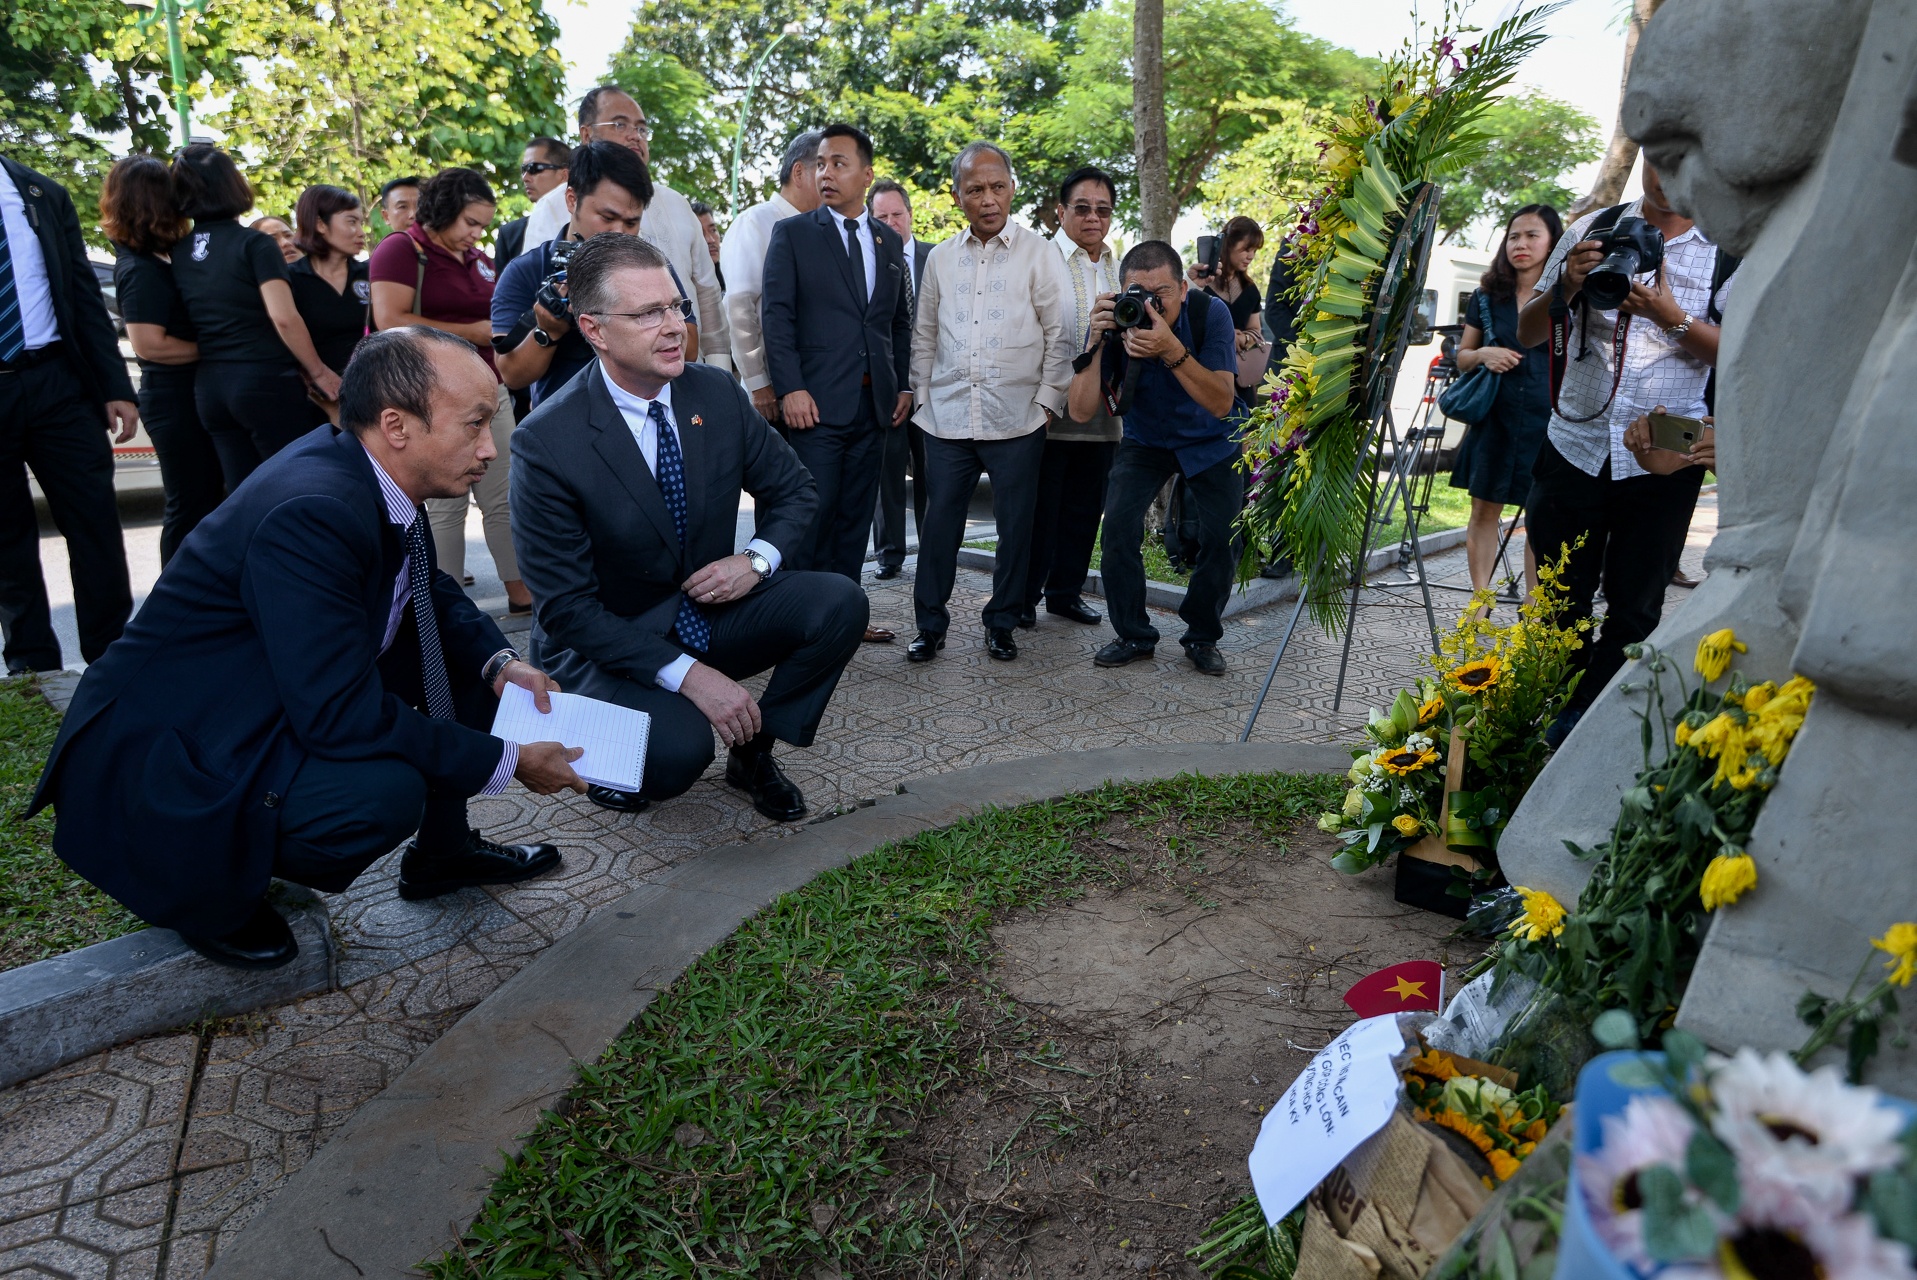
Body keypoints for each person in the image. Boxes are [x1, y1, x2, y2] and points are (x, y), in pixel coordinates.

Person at [30, 327, 584, 970]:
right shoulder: (315, 510)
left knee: (466, 679)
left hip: (262, 694)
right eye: (475, 424)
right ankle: (203, 882)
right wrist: (509, 761)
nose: (490, 448)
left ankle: (444, 851)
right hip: (178, 751)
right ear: (397, 425)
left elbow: (421, 584)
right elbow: (340, 717)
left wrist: (500, 662)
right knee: (379, 795)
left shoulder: (364, 471)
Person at [509, 234, 864, 823]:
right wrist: (694, 678)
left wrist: (754, 562)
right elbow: (567, 610)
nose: (674, 325)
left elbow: (794, 490)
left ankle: (754, 754)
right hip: (608, 641)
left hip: (704, 609)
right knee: (678, 754)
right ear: (593, 329)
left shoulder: (715, 392)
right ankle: (618, 740)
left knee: (839, 602)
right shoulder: (548, 440)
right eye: (649, 313)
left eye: (676, 306)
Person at [1514, 161, 1734, 739]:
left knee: (1636, 606)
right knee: (1560, 599)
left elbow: (1744, 354)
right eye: (1659, 156)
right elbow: (1528, 332)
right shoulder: (1593, 228)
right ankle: (1555, 712)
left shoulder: (1730, 248)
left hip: (1669, 446)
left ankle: (1585, 728)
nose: (1669, 173)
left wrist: (1672, 318)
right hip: (1575, 439)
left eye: (1688, 158)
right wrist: (1565, 285)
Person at [906, 141, 1072, 664]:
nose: (988, 199)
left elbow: (1061, 332)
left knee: (1015, 529)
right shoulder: (939, 258)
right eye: (975, 189)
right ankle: (929, 626)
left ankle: (1001, 623)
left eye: (997, 187)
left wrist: (1047, 404)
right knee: (938, 530)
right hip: (947, 419)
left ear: (1012, 190)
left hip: (1018, 419)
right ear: (957, 197)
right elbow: (925, 333)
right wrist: (922, 401)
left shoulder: (1040, 253)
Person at [760, 123, 913, 645]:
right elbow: (775, 318)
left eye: (839, 163)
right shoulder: (796, 234)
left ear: (866, 175)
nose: (826, 173)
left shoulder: (887, 240)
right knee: (810, 516)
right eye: (821, 163)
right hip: (815, 405)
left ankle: (845, 614)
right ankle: (797, 621)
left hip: (875, 405)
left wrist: (903, 386)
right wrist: (790, 388)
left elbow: (896, 323)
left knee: (854, 517)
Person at [1068, 240, 1242, 675]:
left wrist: (1170, 350)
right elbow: (1080, 410)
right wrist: (1095, 341)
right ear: (1122, 289)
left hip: (1212, 438)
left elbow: (1222, 402)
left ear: (1183, 289)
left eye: (1160, 294)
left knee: (1222, 539)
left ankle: (1201, 635)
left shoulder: (1209, 313)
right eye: (1137, 292)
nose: (1148, 304)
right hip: (1146, 440)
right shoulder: (1116, 319)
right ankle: (1133, 634)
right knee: (1118, 530)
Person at [369, 166, 530, 614]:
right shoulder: (401, 249)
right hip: (427, 397)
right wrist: (473, 331)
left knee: (505, 495)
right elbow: (389, 320)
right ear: (444, 210)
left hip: (487, 389)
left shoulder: (476, 258)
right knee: (444, 503)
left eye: (482, 224)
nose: (477, 233)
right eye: (470, 222)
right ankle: (444, 602)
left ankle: (521, 591)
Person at [0, 154, 137, 673]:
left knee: (95, 524)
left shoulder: (40, 193)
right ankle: (31, 666)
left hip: (59, 382)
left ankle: (112, 660)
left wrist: (115, 386)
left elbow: (82, 294)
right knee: (6, 539)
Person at [519, 86, 730, 372]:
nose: (635, 135)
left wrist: (719, 371)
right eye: (620, 124)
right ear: (586, 135)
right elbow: (539, 301)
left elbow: (707, 294)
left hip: (684, 372)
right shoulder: (552, 207)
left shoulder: (676, 203)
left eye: (642, 129)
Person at [169, 144, 339, 490]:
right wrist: (320, 371)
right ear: (233, 185)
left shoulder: (181, 249)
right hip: (263, 379)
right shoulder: (255, 244)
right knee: (294, 486)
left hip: (211, 387)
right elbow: (284, 317)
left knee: (242, 493)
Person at [494, 141, 692, 411]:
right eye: (607, 217)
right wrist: (548, 330)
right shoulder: (527, 270)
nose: (619, 233)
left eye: (632, 222)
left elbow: (688, 349)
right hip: (565, 430)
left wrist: (642, 317)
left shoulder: (651, 267)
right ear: (572, 200)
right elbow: (512, 374)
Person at [102, 155, 223, 567]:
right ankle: (176, 598)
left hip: (194, 394)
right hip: (172, 400)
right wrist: (221, 346)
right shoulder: (139, 269)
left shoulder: (167, 257)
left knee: (210, 498)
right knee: (189, 504)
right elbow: (149, 345)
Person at [1025, 165, 1122, 629]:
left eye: (1102, 210)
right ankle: (1021, 598)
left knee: (1086, 511)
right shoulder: (1038, 260)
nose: (1092, 218)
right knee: (1039, 513)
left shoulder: (1117, 265)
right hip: (1044, 410)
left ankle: (1065, 593)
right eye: (1082, 208)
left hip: (1102, 410)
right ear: (1060, 211)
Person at [1447, 203, 1562, 595]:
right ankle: (1479, 602)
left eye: (1533, 236)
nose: (1521, 244)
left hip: (1548, 418)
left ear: (1552, 243)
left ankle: (1534, 608)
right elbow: (1462, 358)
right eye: (1514, 236)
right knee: (1483, 509)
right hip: (1495, 415)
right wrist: (1484, 354)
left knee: (1541, 516)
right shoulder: (1485, 296)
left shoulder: (1566, 294)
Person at [719, 129, 822, 427]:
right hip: (770, 395)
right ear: (799, 171)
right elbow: (739, 306)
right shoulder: (756, 221)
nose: (831, 178)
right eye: (824, 166)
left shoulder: (822, 229)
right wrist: (758, 382)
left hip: (814, 388)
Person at [866, 178, 934, 582]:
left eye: (897, 214)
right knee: (886, 473)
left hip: (932, 387)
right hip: (886, 387)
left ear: (910, 215)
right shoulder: (867, 263)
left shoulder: (937, 258)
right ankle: (889, 554)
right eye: (881, 216)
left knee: (933, 473)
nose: (890, 222)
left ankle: (934, 547)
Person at [287, 184, 371, 386]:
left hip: (371, 387)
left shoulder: (370, 274)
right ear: (320, 224)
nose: (361, 232)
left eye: (361, 223)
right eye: (351, 222)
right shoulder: (290, 279)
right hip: (313, 393)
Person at [1192, 215, 1267, 401]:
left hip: (1241, 383)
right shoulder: (1201, 286)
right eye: (1246, 249)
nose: (1250, 256)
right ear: (1228, 245)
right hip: (1206, 378)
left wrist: (1244, 337)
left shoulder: (1250, 290)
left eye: (1254, 251)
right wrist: (1225, 336)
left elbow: (1256, 330)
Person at [496, 138, 569, 268]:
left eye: (534, 168)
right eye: (523, 169)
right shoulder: (511, 234)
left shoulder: (590, 224)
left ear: (564, 175)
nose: (525, 177)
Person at [690, 199, 724, 289]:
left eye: (713, 230)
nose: (711, 240)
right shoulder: (685, 285)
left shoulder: (730, 275)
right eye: (701, 233)